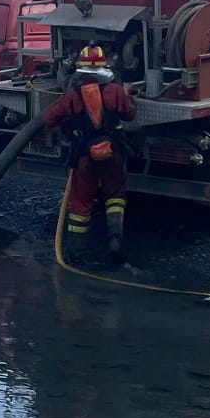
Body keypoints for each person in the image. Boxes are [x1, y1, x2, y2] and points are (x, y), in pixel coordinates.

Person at [42, 42, 137, 263]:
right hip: (113, 154)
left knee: (80, 204)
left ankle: (76, 253)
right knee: (115, 197)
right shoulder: (114, 90)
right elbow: (130, 114)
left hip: (84, 157)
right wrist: (127, 95)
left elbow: (49, 119)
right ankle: (115, 240)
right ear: (105, 66)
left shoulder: (73, 94)